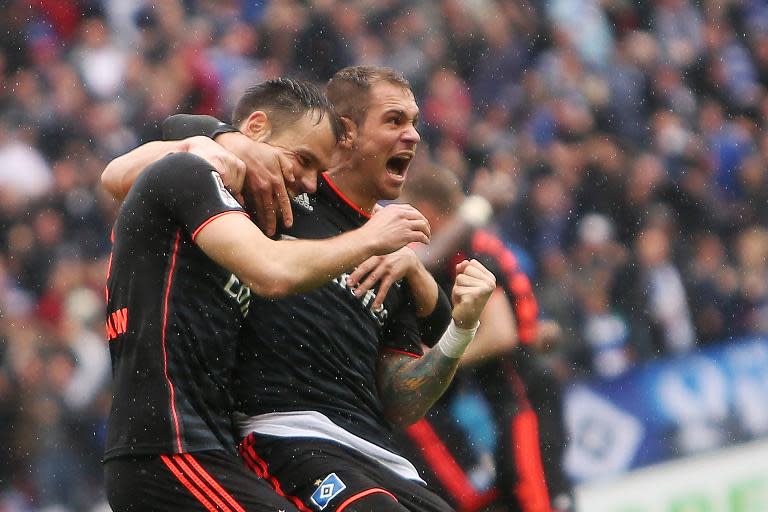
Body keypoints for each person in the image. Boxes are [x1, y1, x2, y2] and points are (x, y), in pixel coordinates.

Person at [144, 66, 497, 512]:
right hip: (285, 434)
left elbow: (401, 402)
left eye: (414, 122)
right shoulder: (285, 186)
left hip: (379, 454)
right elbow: (179, 131)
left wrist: (460, 330)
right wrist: (228, 139)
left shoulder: (394, 250)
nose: (413, 136)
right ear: (346, 133)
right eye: (394, 121)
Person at [397, 167, 574, 512]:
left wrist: (435, 360)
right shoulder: (480, 243)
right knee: (524, 490)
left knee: (532, 497)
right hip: (524, 392)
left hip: (522, 398)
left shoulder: (465, 252)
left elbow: (501, 335)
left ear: (428, 211)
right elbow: (527, 331)